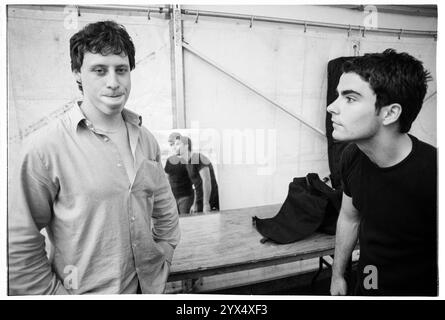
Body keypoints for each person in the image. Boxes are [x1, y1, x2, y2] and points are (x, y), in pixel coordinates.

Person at [8, 20, 180, 295]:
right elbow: (17, 242)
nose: (113, 83)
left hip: (147, 289)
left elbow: (164, 206)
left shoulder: (145, 139)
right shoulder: (45, 147)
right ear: (77, 73)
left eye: (121, 70)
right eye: (99, 70)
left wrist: (166, 251)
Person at [328, 49, 437, 296]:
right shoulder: (352, 155)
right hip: (369, 284)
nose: (331, 107)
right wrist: (337, 275)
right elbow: (349, 217)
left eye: (350, 98)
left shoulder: (434, 173)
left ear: (390, 113)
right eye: (337, 96)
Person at [175, 136, 220, 213]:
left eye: (178, 144)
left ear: (186, 146)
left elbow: (206, 180)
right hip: (200, 202)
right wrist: (194, 203)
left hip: (211, 202)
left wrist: (206, 204)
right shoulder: (187, 163)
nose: (175, 147)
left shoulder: (198, 158)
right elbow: (196, 185)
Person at [164, 132, 194, 214]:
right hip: (172, 197)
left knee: (185, 221)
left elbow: (194, 179)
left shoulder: (189, 161)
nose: (175, 147)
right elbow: (165, 178)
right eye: (173, 145)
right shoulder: (169, 160)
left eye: (177, 144)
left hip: (186, 197)